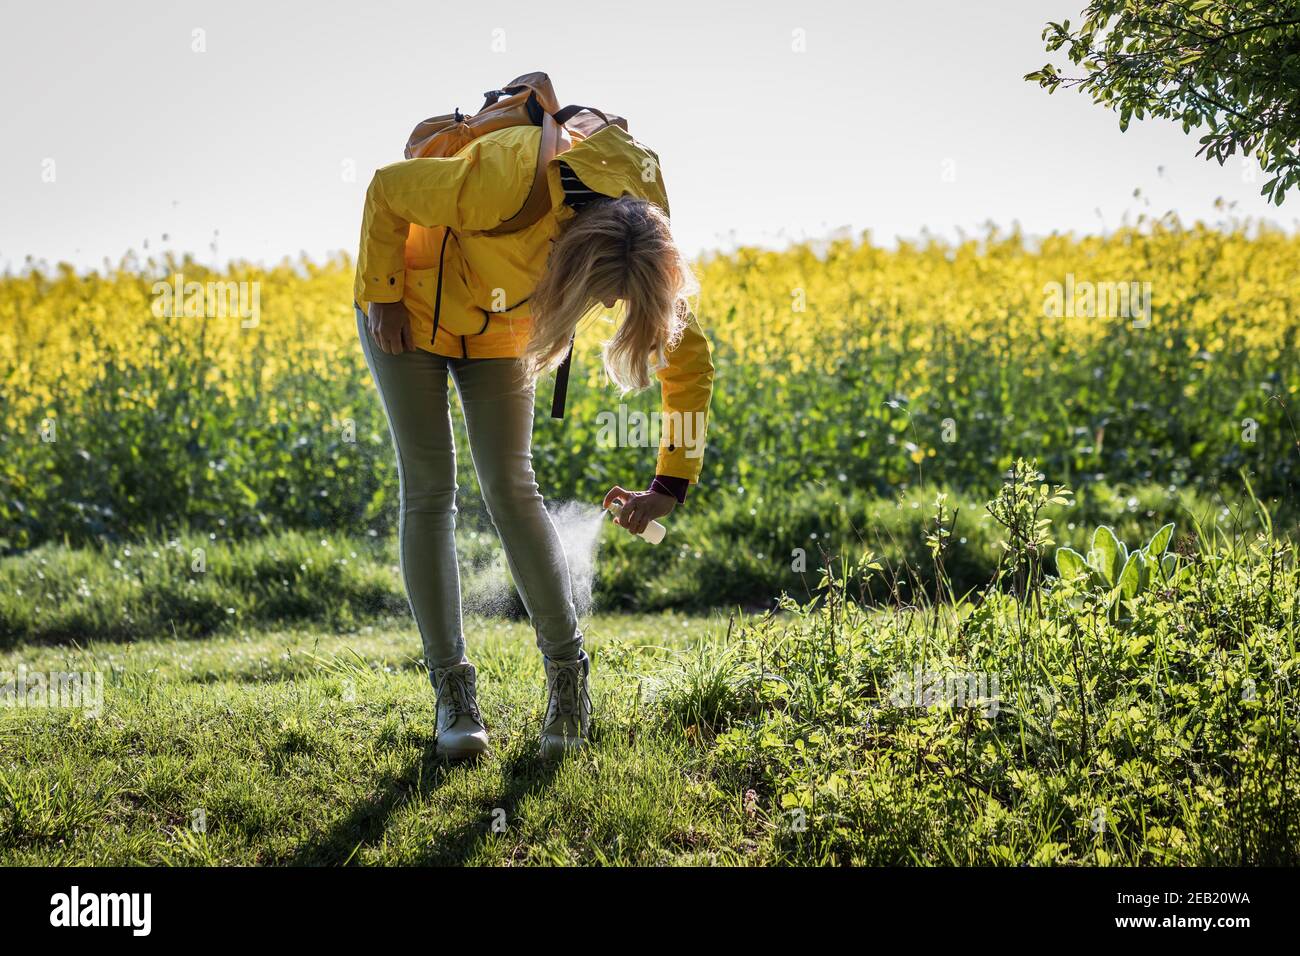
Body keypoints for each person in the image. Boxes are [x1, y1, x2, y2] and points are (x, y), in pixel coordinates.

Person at [353, 115, 714, 760]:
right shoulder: (505, 180)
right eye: (599, 297)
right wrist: (381, 294)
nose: (604, 310)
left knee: (512, 487)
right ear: (570, 265)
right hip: (406, 304)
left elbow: (685, 361)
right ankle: (454, 695)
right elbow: (387, 189)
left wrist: (670, 484)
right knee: (431, 488)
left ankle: (568, 684)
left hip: (499, 324)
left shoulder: (644, 221)